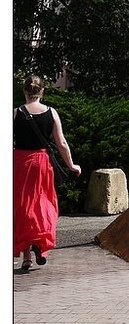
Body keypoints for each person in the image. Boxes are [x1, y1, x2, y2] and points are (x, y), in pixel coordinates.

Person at [13, 74, 81, 272]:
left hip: (20, 163)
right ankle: (41, 246)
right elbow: (61, 143)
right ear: (42, 91)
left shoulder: (15, 113)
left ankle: (26, 256)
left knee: (22, 206)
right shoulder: (51, 112)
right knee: (44, 203)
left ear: (24, 91)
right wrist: (72, 165)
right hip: (42, 163)